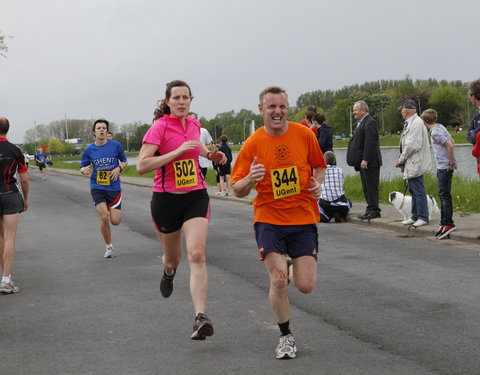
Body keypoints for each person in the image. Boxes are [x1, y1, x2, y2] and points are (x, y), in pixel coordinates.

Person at [231, 86, 327, 359]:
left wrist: (316, 184)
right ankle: (285, 337)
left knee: (306, 286)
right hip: (269, 218)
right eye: (271, 106)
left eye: (282, 106)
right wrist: (250, 178)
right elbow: (237, 188)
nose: (277, 111)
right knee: (279, 281)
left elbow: (320, 166)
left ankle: (290, 263)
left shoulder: (304, 134)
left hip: (303, 217)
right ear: (261, 109)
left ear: (288, 108)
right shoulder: (253, 144)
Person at [136, 80, 226, 341]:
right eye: (176, 98)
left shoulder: (195, 125)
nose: (182, 102)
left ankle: (200, 317)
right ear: (167, 102)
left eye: (186, 97)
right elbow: (142, 165)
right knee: (173, 259)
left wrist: (211, 156)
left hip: (195, 196)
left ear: (191, 100)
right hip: (166, 200)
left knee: (197, 254)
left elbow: (198, 148)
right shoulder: (159, 127)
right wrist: (175, 152)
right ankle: (168, 272)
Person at [80, 119, 128, 258]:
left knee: (115, 221)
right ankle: (108, 246)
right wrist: (84, 170)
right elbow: (83, 166)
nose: (101, 130)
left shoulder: (116, 146)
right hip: (97, 186)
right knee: (104, 216)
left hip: (113, 187)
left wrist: (119, 168)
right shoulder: (89, 149)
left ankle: (110, 219)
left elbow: (124, 161)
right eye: (99, 128)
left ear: (107, 131)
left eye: (104, 128)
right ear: (94, 132)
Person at [0, 117, 29, 294]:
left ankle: (4, 276)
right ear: (8, 129)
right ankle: (6, 279)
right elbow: (24, 179)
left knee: (0, 238)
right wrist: (26, 199)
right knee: (10, 237)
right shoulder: (15, 150)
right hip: (10, 194)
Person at [395, 99, 432, 228]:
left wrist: (401, 159)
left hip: (415, 162)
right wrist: (402, 158)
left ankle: (423, 217)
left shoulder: (416, 123)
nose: (401, 112)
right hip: (411, 162)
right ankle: (415, 216)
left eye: (402, 109)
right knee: (413, 189)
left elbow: (412, 145)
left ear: (407, 110)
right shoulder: (411, 123)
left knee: (418, 190)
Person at [421, 109, 457, 239]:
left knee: (444, 195)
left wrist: (451, 162)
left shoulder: (435, 132)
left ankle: (448, 223)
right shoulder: (440, 126)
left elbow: (450, 145)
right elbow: (452, 140)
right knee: (443, 194)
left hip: (444, 167)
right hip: (444, 166)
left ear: (424, 121)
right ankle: (444, 222)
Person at [346, 100, 382, 220]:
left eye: (355, 110)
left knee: (371, 186)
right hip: (363, 163)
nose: (353, 112)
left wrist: (365, 159)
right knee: (366, 187)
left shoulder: (370, 122)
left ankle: (375, 210)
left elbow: (370, 143)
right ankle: (370, 208)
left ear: (363, 110)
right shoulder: (362, 122)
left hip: (370, 162)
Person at [319, 151, 351, 223]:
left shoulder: (321, 171)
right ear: (334, 160)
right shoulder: (340, 170)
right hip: (340, 202)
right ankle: (340, 214)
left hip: (325, 204)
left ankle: (326, 216)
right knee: (349, 202)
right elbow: (341, 183)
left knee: (318, 203)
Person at [189, 112, 214, 179]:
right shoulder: (184, 132)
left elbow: (209, 144)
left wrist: (201, 150)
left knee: (202, 180)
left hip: (202, 161)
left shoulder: (203, 131)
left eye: (194, 119)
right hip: (190, 163)